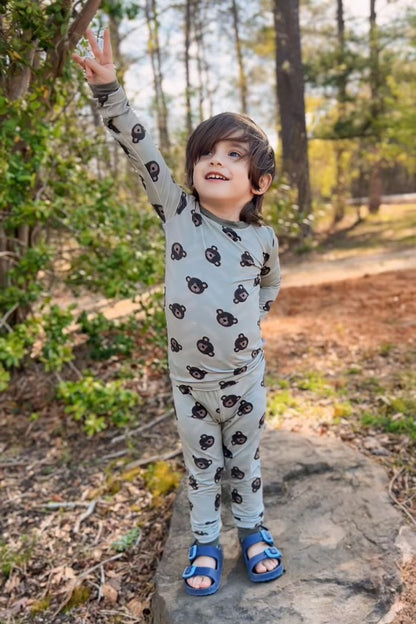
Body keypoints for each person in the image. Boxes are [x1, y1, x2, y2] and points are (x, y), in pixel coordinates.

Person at [73, 28, 284, 597]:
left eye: (232, 155)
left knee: (245, 463)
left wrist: (243, 327)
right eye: (206, 153)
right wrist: (110, 91)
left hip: (245, 379)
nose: (214, 161)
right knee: (201, 468)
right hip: (189, 383)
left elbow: (269, 289)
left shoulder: (262, 239)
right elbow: (140, 149)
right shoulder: (178, 213)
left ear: (259, 181)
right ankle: (207, 541)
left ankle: (254, 529)